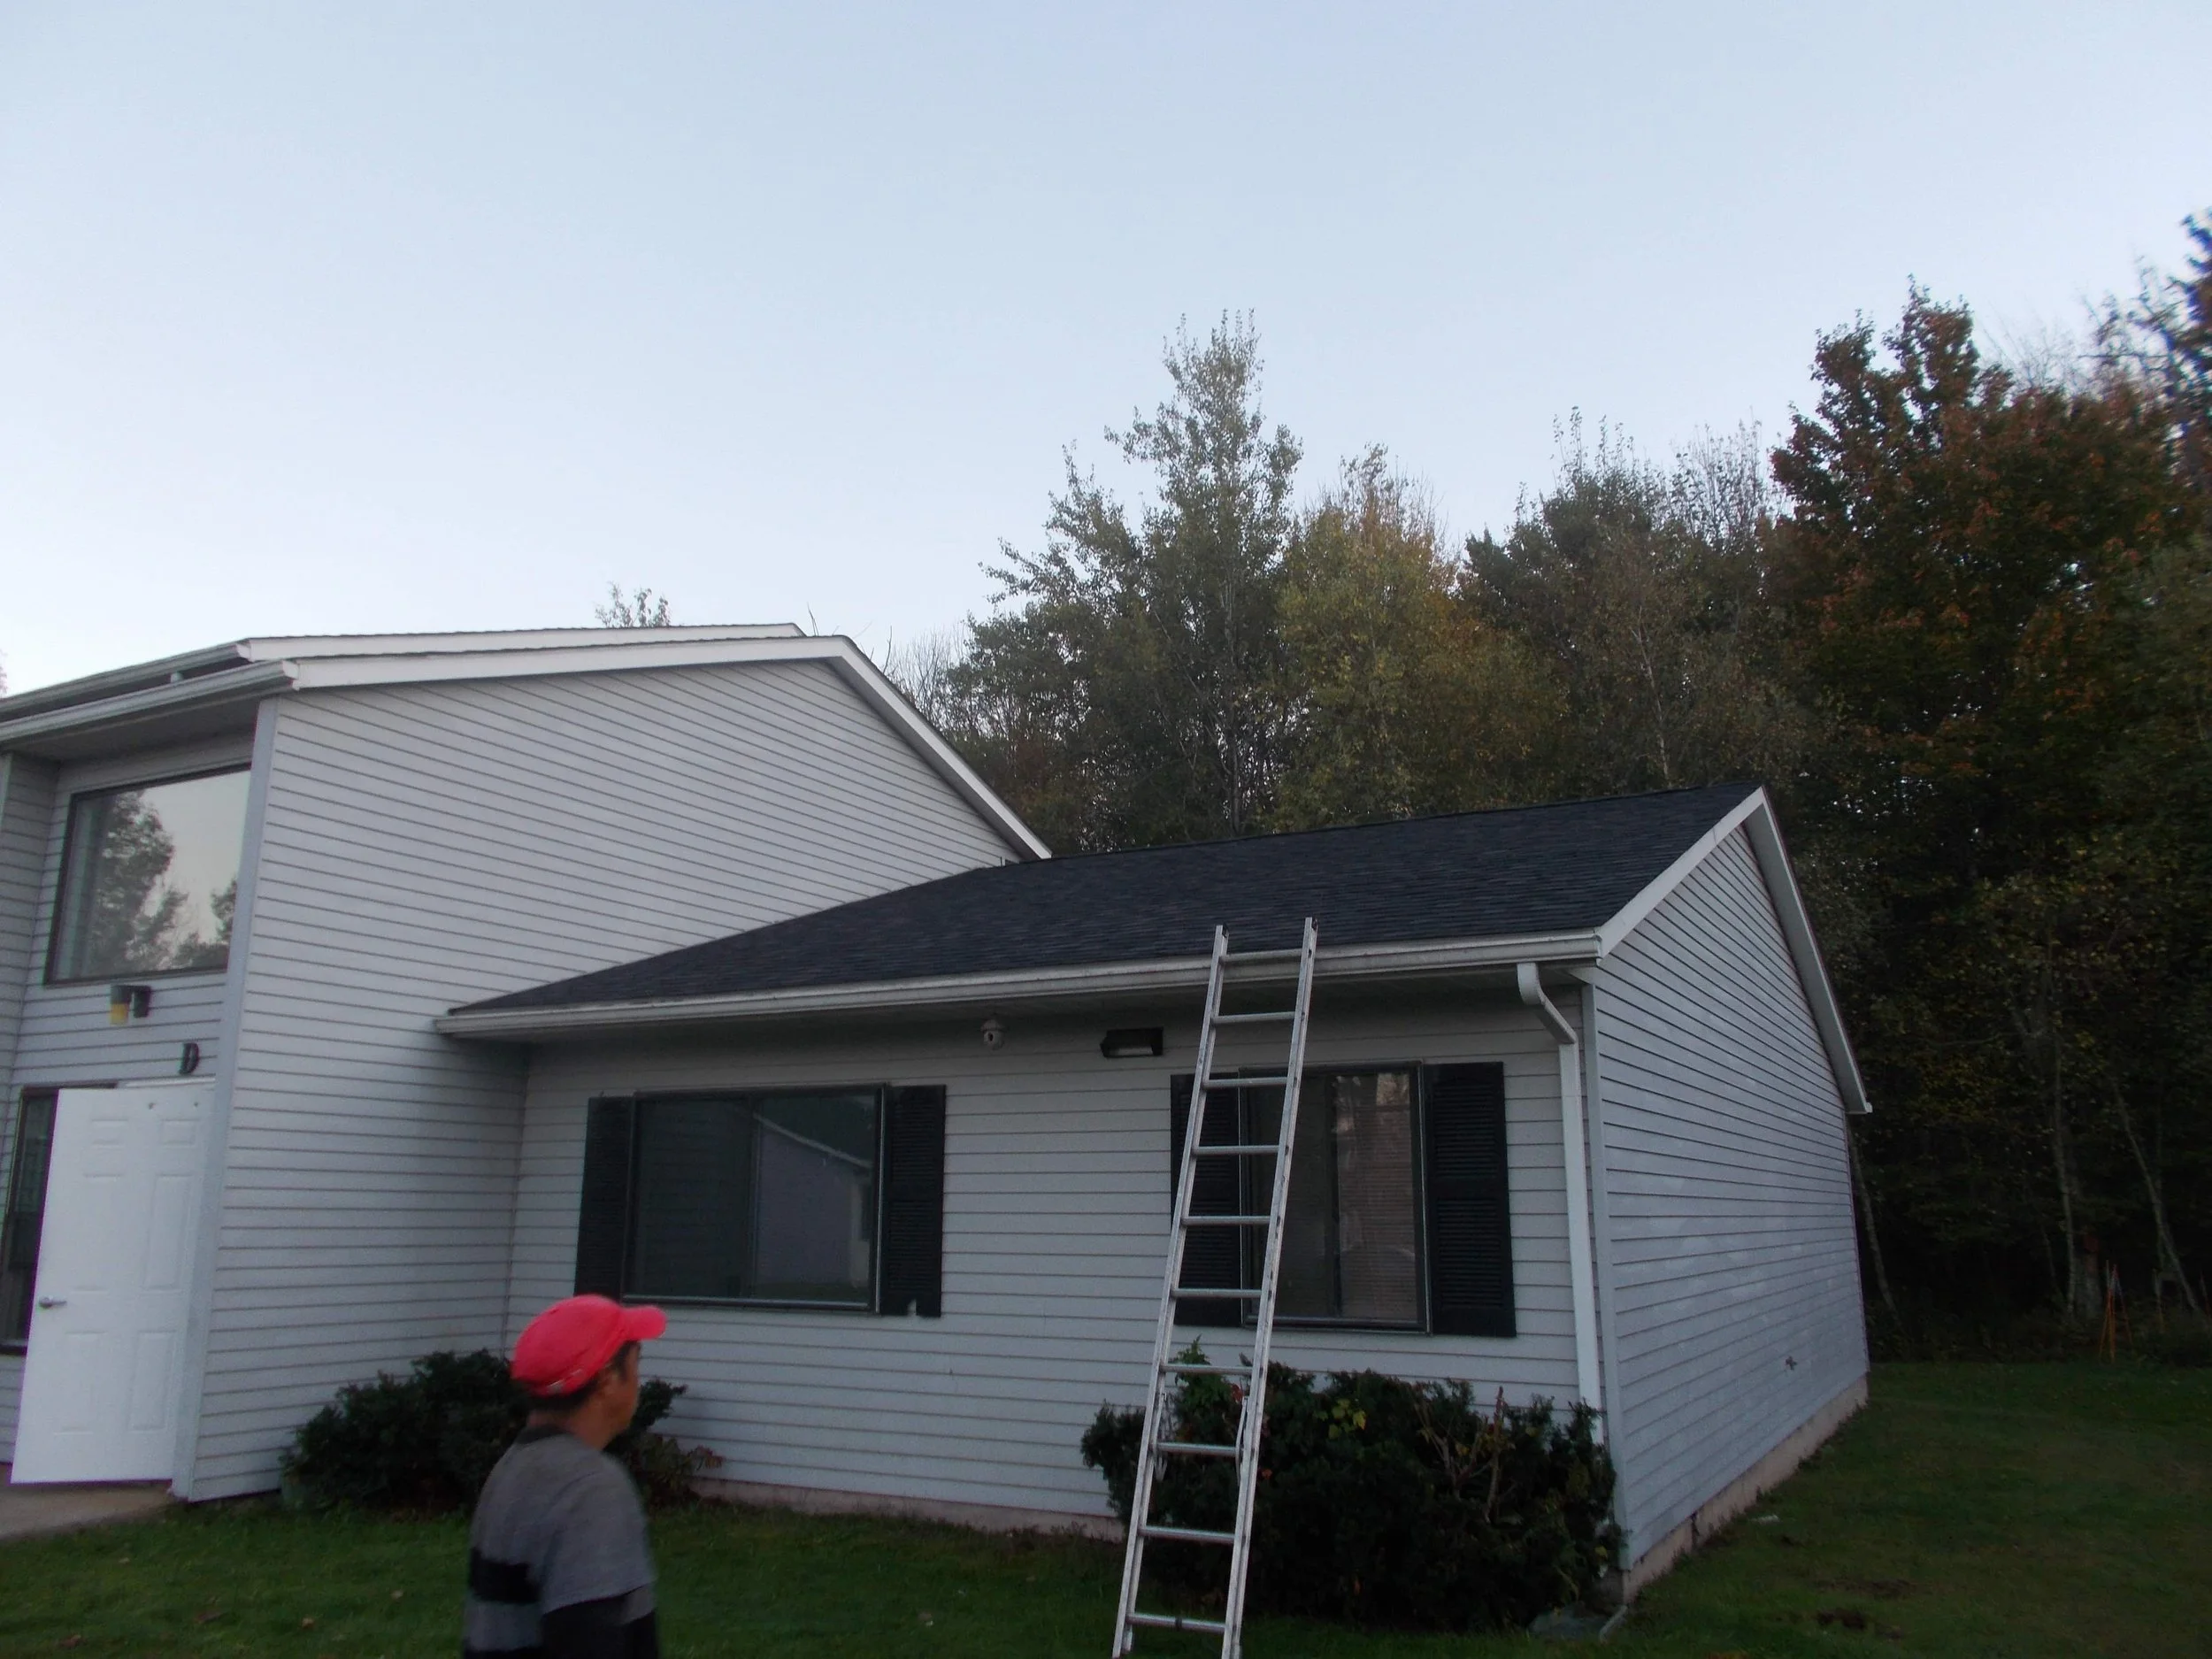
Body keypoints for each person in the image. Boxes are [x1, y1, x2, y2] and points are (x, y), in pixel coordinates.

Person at [464, 1294, 671, 1659]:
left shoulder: (511, 1469)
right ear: (608, 1379)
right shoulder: (590, 1489)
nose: (640, 1380)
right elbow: (588, 1634)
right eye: (637, 1363)